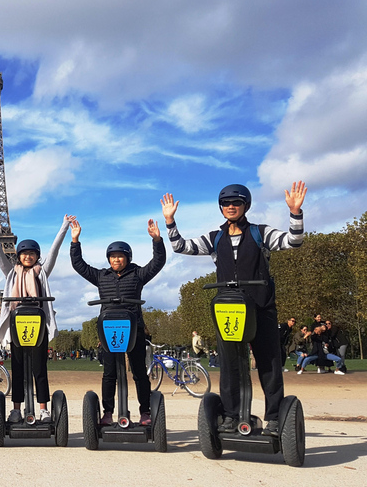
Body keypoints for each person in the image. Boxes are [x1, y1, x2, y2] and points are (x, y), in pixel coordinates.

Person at [161, 181, 307, 436]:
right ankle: (231, 415)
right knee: (230, 366)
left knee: (269, 364)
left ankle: (274, 418)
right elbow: (180, 246)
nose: (231, 207)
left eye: (236, 203)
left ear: (245, 205)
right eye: (226, 203)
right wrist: (170, 222)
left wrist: (295, 212)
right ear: (221, 208)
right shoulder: (215, 238)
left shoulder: (260, 233)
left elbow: (294, 241)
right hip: (229, 308)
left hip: (261, 308)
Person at [70, 217, 165, 426]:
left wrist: (157, 240)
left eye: (120, 257)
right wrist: (75, 242)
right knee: (109, 373)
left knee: (139, 372)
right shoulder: (101, 276)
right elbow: (79, 265)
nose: (116, 260)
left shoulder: (138, 274)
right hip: (109, 329)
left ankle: (145, 411)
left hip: (134, 329)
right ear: (108, 259)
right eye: (113, 257)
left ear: (127, 258)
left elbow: (157, 263)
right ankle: (108, 412)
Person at [0, 210, 72, 423]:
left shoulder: (41, 272)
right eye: (24, 253)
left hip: (38, 324)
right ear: (18, 255)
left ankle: (43, 409)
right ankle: (16, 409)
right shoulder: (11, 272)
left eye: (32, 253)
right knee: (17, 368)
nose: (28, 256)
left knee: (39, 368)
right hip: (17, 323)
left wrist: (64, 227)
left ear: (37, 256)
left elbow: (54, 251)